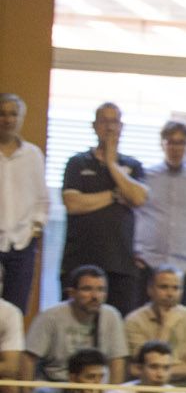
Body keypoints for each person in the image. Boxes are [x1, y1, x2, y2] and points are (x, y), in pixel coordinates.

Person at [60, 102, 148, 316]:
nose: (109, 127)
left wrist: (111, 162)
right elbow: (74, 204)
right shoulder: (77, 163)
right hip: (79, 261)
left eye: (114, 121)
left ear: (121, 126)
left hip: (121, 264)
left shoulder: (132, 165)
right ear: (94, 126)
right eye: (104, 121)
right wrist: (115, 195)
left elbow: (137, 198)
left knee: (117, 328)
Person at [133, 120, 186, 308]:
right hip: (147, 266)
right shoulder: (145, 176)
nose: (175, 148)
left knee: (180, 329)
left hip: (182, 269)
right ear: (162, 144)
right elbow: (128, 214)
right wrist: (131, 252)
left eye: (180, 142)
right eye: (170, 142)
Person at [22, 265, 128, 383]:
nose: (95, 296)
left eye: (101, 290)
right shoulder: (50, 316)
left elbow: (117, 361)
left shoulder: (111, 315)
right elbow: (28, 359)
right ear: (72, 293)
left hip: (96, 383)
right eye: (87, 289)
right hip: (56, 383)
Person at [0, 92, 48, 312]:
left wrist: (36, 227)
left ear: (20, 118)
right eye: (2, 114)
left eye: (13, 114)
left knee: (15, 309)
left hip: (22, 243)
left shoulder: (33, 155)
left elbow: (41, 197)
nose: (8, 119)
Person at [123, 265, 186, 387]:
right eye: (163, 287)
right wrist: (166, 327)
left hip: (182, 388)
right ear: (150, 290)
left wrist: (150, 370)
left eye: (176, 288)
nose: (170, 294)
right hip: (145, 388)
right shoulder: (134, 320)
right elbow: (146, 364)